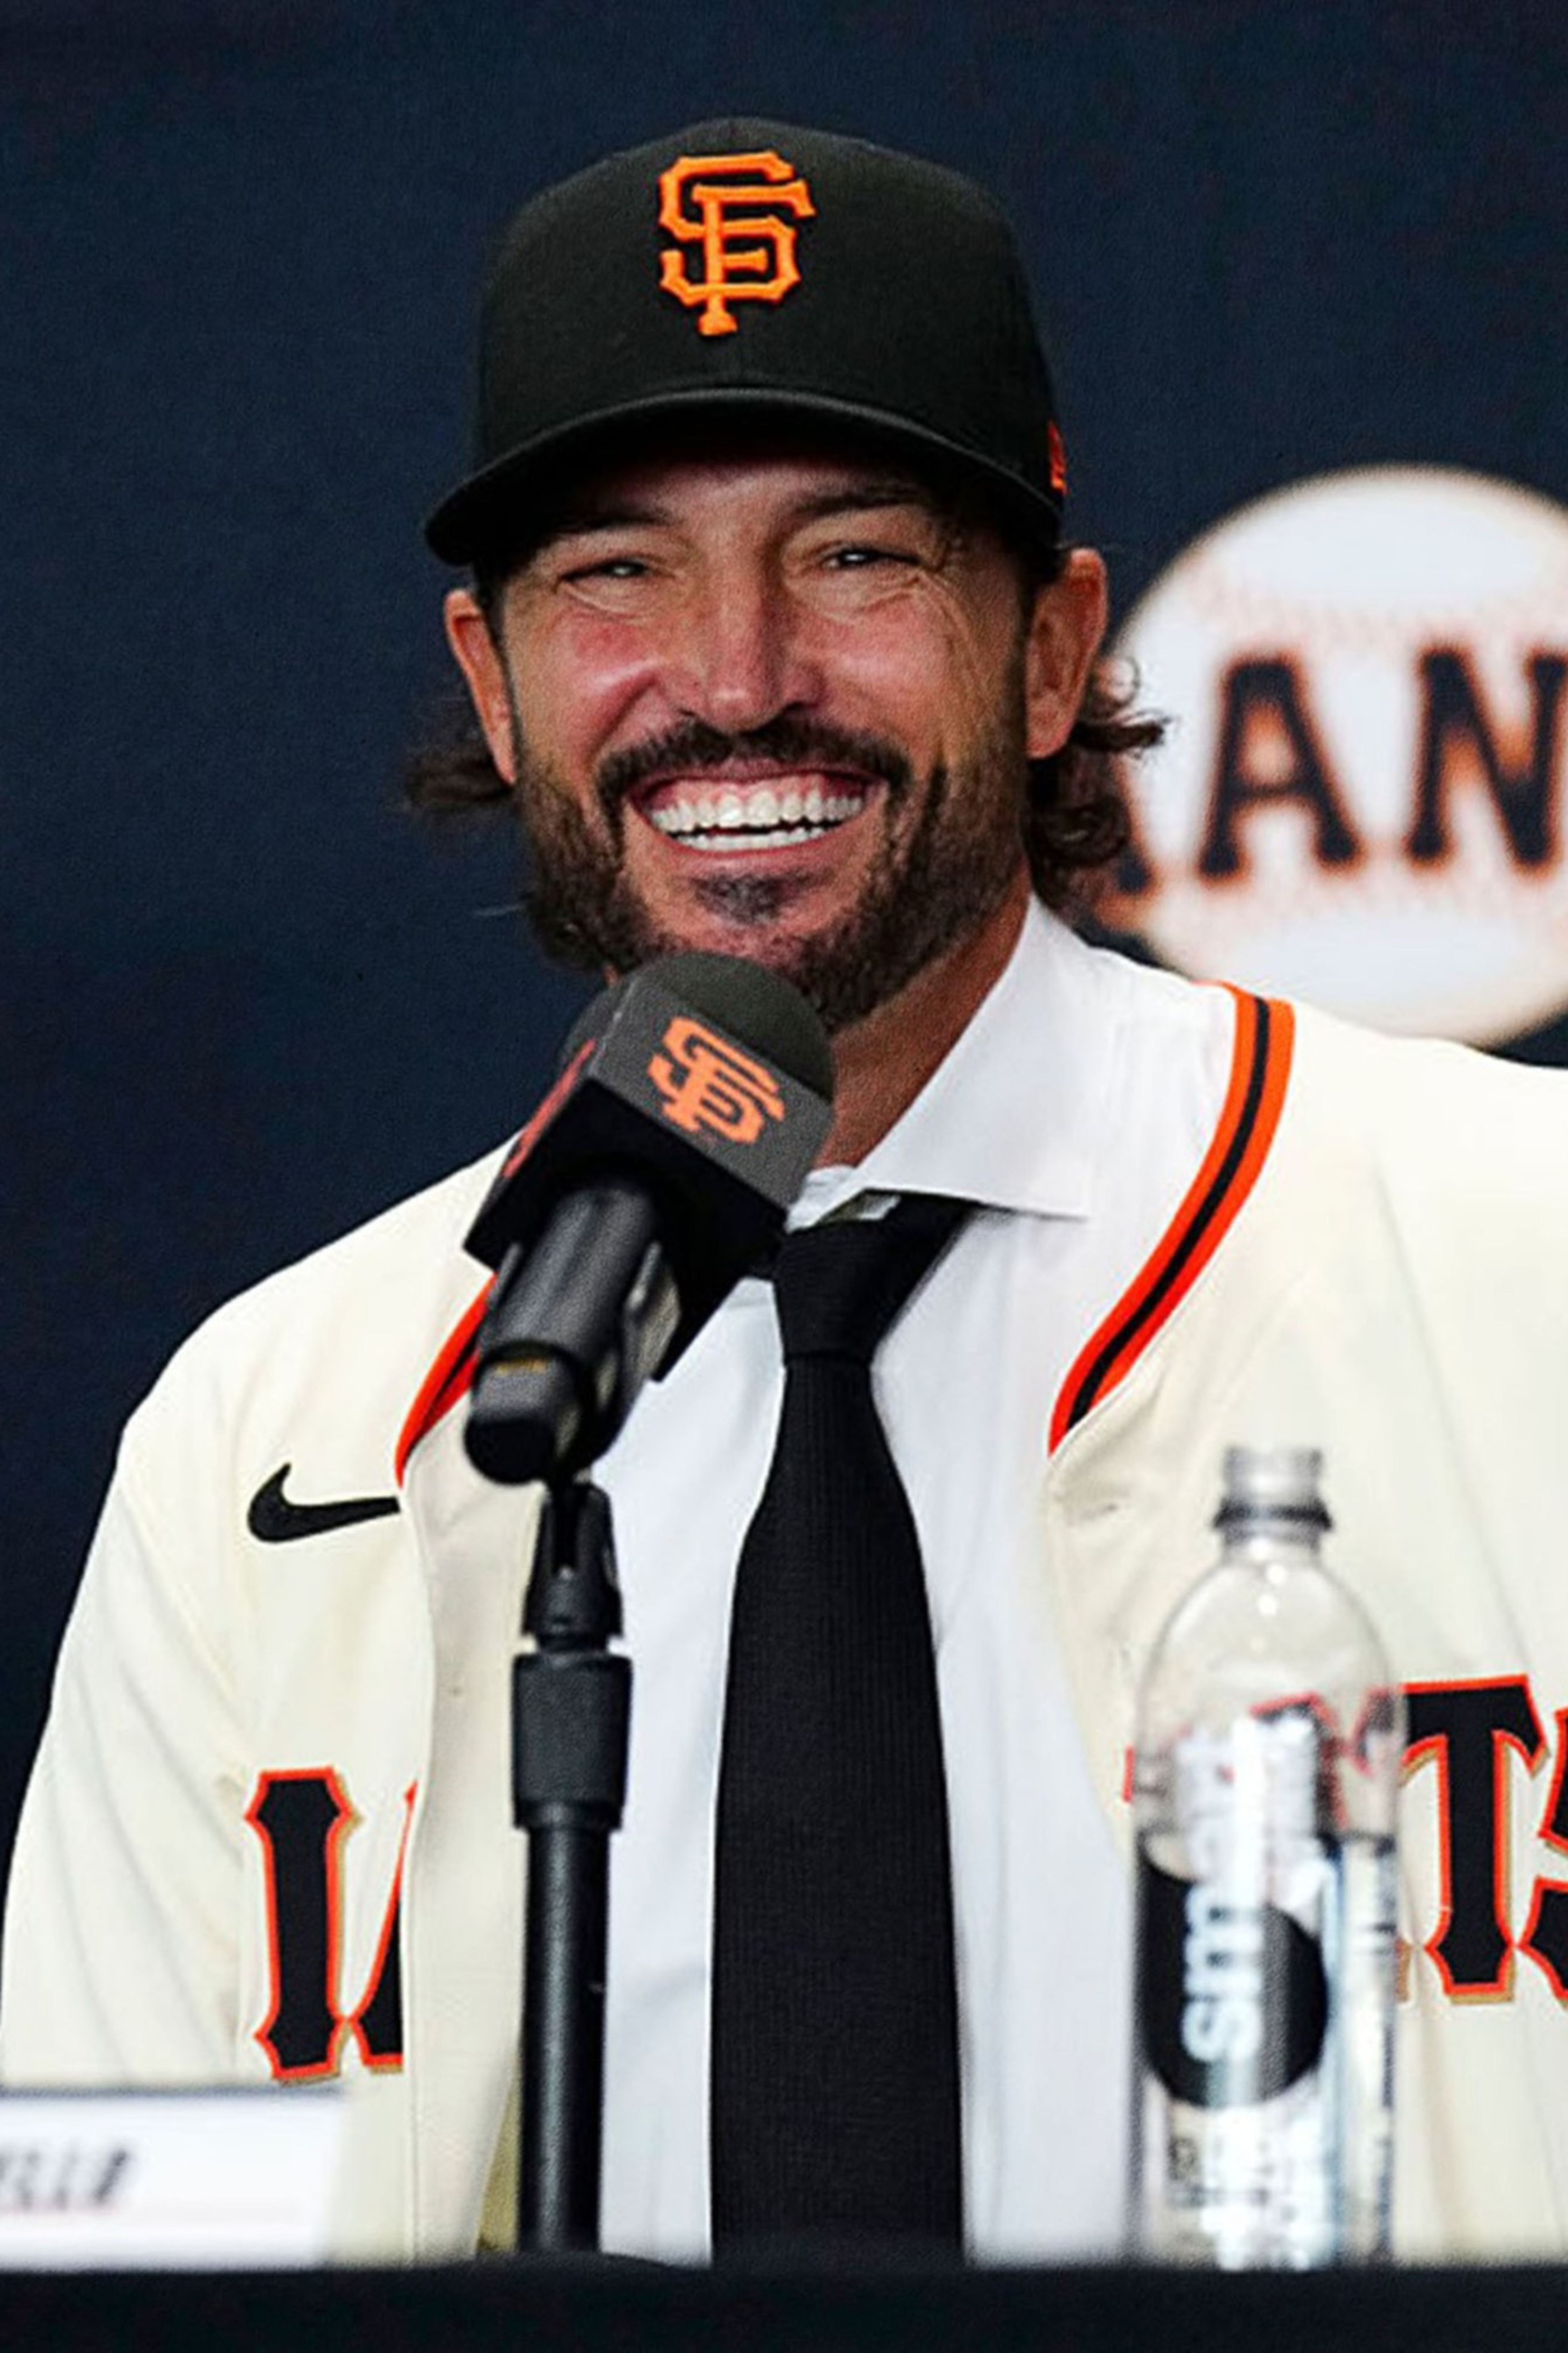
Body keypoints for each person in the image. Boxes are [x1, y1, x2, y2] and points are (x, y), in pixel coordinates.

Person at [6, 117, 1568, 2268]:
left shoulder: (1526, 1262)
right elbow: (91, 2259)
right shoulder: (263, 1441)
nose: (731, 678)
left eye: (854, 556)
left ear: (1048, 650)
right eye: (614, 574)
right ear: (496, 679)